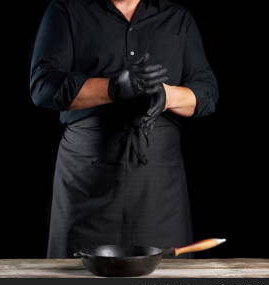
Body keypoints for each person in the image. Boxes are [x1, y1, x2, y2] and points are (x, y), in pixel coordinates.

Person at [30, 0, 219, 258]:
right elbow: (43, 87)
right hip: (86, 175)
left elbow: (207, 93)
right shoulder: (66, 11)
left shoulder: (178, 18)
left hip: (160, 181)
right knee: (77, 279)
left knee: (165, 276)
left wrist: (167, 96)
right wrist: (113, 87)